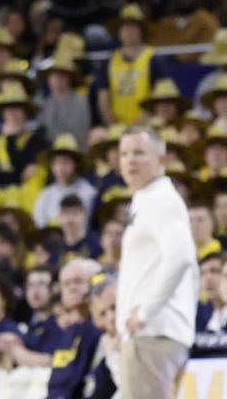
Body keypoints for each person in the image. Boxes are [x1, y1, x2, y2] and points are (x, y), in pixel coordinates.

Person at [116, 126, 198, 398]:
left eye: (139, 153)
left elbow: (182, 255)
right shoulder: (147, 198)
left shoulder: (159, 199)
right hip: (156, 336)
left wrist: (145, 312)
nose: (129, 160)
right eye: (124, 153)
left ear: (162, 160)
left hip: (152, 335)